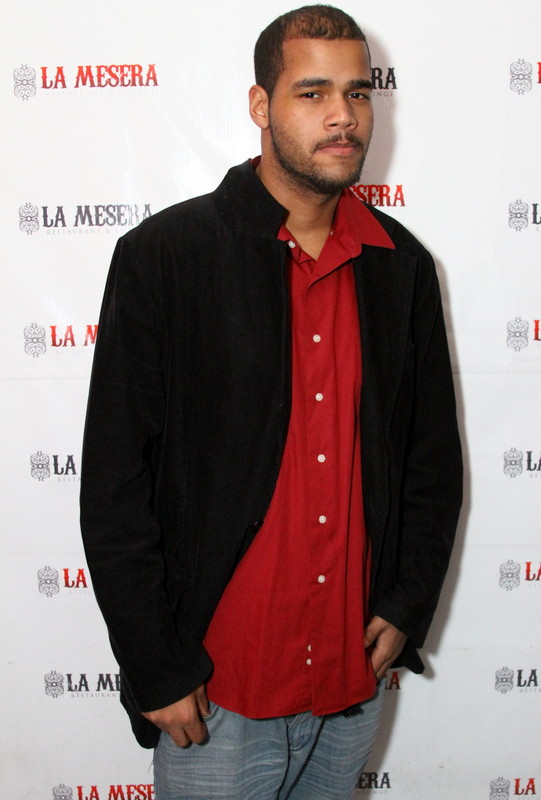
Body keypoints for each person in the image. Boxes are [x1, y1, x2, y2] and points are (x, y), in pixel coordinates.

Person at [80, 5, 462, 798]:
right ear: (261, 105)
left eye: (357, 93)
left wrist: (406, 600)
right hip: (215, 694)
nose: (341, 116)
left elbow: (430, 462)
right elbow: (115, 484)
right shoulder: (166, 257)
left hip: (350, 687)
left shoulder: (401, 267)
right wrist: (155, 663)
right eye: (311, 92)